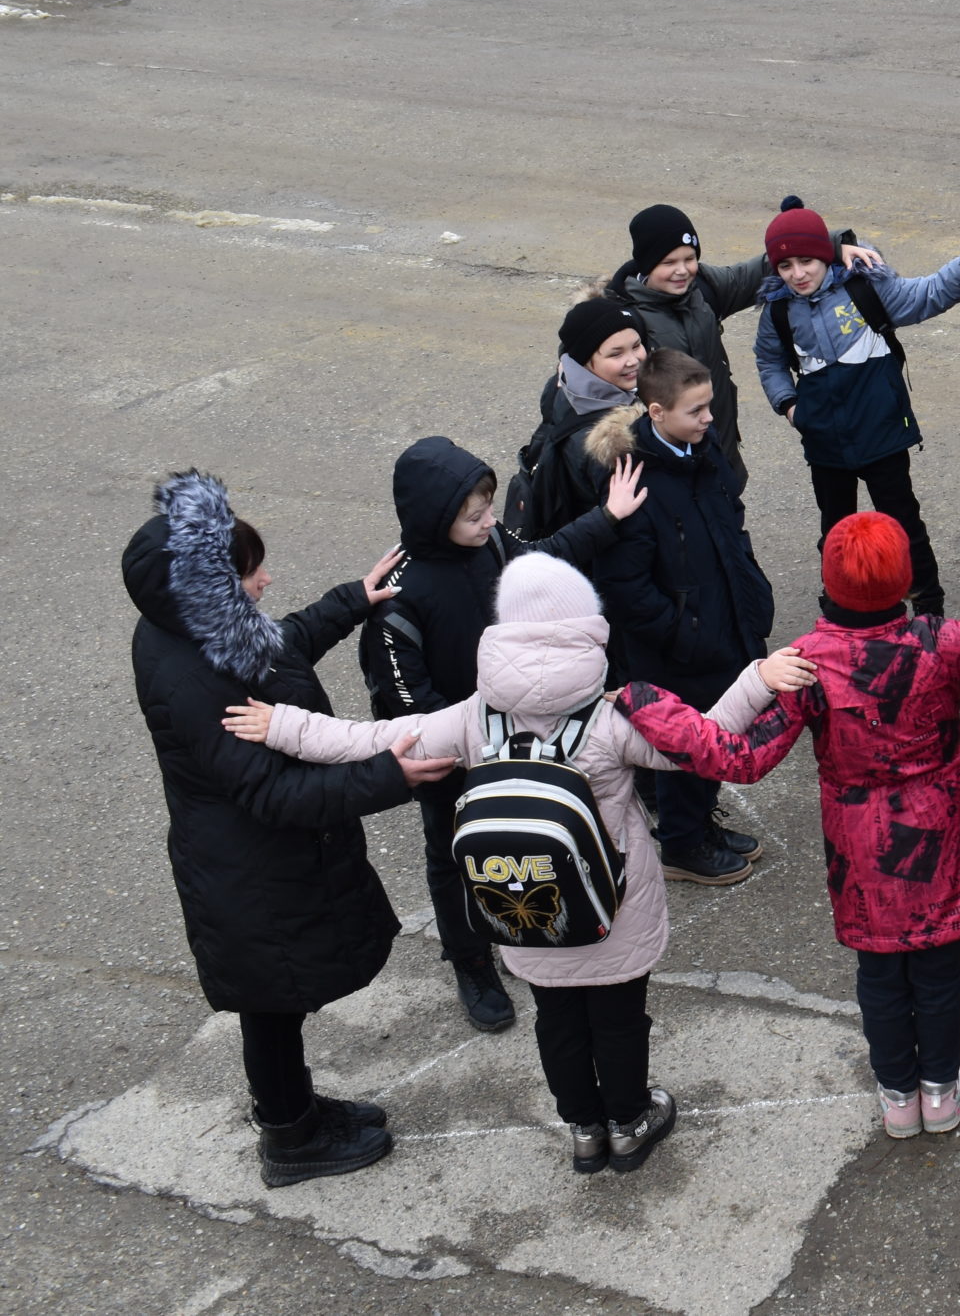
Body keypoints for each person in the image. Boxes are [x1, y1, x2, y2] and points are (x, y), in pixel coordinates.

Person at [222, 555, 820, 1176]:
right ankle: (629, 1121)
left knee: (557, 1020)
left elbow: (367, 740)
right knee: (617, 1020)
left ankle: (584, 1131)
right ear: (586, 627)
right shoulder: (612, 719)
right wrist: (759, 677)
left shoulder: (476, 716)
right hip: (614, 906)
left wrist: (281, 724)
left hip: (523, 901)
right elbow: (707, 740)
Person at [616, 509, 960, 1141]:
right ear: (902, 580)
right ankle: (940, 1091)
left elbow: (738, 756)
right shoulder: (940, 644)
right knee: (939, 967)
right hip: (942, 825)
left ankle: (898, 1093)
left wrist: (643, 700)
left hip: (861, 843)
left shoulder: (806, 666)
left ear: (828, 581)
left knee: (879, 973)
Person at [123, 469, 452, 1188]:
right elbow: (274, 791)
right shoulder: (191, 678)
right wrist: (391, 776)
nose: (267, 579)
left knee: (275, 1002)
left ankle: (291, 1108)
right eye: (250, 572)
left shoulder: (195, 628)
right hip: (249, 871)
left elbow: (280, 644)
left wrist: (350, 603)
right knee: (271, 1003)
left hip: (251, 864)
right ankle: (288, 1137)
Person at [359, 436, 649, 1034]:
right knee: (452, 855)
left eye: (490, 507)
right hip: (457, 757)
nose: (492, 521)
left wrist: (608, 517)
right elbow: (406, 705)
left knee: (536, 843)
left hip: (526, 744)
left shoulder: (493, 542)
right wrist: (478, 753)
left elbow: (544, 555)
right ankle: (471, 962)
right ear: (435, 518)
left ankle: (530, 930)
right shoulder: (399, 604)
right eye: (474, 514)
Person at [754, 197, 960, 615]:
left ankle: (929, 609)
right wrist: (790, 407)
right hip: (824, 441)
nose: (797, 274)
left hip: (881, 431)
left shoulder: (864, 286)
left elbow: (924, 296)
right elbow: (769, 360)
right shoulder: (777, 310)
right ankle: (841, 608)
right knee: (835, 531)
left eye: (807, 261)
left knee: (903, 524)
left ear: (827, 254)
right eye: (786, 267)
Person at [591, 350, 775, 887]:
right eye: (696, 410)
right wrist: (682, 632)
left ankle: (700, 825)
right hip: (679, 650)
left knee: (716, 739)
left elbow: (731, 531)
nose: (709, 419)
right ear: (656, 411)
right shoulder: (633, 482)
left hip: (726, 626)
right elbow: (624, 587)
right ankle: (681, 843)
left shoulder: (702, 452)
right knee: (682, 748)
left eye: (709, 407)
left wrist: (752, 597)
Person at [605, 204, 774, 486]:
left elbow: (762, 269)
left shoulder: (704, 288)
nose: (682, 271)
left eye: (690, 258)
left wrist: (832, 247)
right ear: (647, 265)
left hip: (719, 451)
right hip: (663, 465)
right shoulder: (622, 314)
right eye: (668, 262)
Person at [514, 296, 649, 536]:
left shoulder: (564, 386)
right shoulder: (607, 441)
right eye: (616, 354)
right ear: (586, 362)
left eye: (637, 345)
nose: (633, 360)